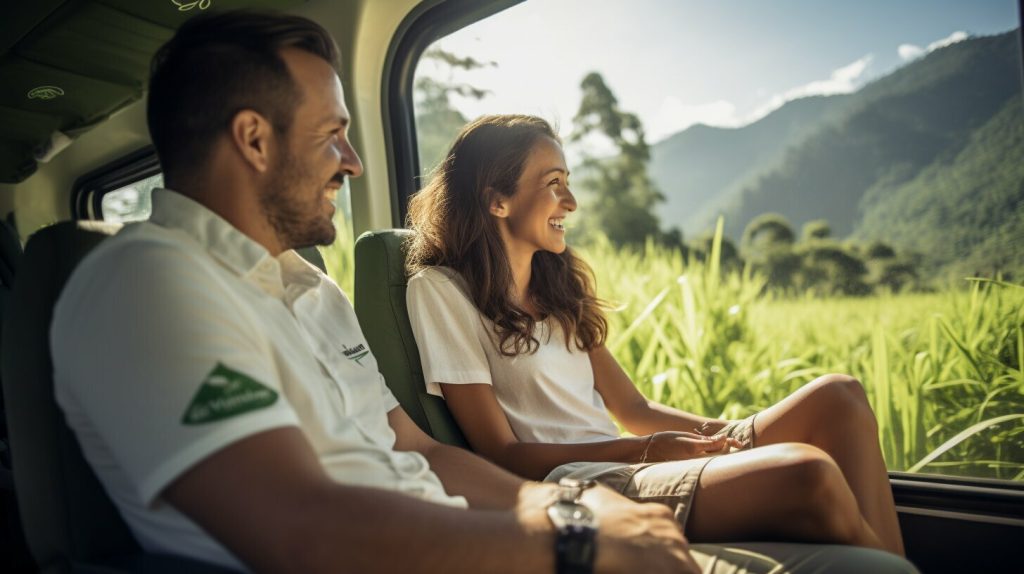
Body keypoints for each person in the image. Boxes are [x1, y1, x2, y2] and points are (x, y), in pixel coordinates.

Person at [50, 13, 699, 574]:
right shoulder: (146, 283)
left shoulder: (315, 293)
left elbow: (417, 451)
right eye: (332, 134)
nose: (353, 161)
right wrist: (574, 543)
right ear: (253, 139)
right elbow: (306, 532)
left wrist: (567, 507)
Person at [405, 114, 906, 557]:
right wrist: (645, 451)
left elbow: (635, 411)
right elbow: (500, 454)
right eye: (554, 183)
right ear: (498, 200)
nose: (571, 202)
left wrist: (719, 439)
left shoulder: (559, 283)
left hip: (626, 458)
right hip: (579, 482)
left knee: (839, 397)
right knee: (807, 473)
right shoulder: (442, 292)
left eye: (569, 182)